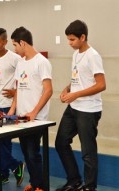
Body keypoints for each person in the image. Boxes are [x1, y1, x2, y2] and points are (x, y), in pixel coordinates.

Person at [55, 20, 106, 191]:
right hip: (74, 107)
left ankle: (90, 187)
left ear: (82, 37)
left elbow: (101, 85)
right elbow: (79, 78)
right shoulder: (76, 54)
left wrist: (75, 94)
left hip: (89, 110)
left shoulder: (93, 56)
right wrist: (67, 89)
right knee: (61, 142)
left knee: (88, 152)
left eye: (72, 40)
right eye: (68, 39)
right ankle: (74, 180)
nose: (69, 43)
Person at [8, 26, 53, 191]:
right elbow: (18, 88)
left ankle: (40, 186)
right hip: (21, 117)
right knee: (26, 152)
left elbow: (48, 90)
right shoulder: (20, 63)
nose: (14, 49)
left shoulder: (42, 62)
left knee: (33, 153)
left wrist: (34, 112)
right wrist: (13, 109)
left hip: (37, 118)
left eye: (15, 45)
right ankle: (34, 183)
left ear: (22, 42)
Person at [0, 28, 25, 186]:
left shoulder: (15, 58)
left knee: (5, 142)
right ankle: (15, 166)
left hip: (8, 106)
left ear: (5, 42)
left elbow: (22, 79)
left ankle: (2, 174)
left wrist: (15, 92)